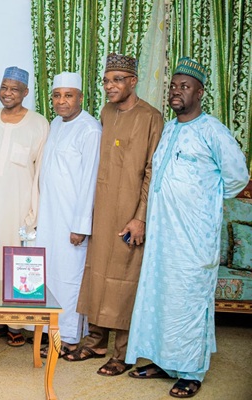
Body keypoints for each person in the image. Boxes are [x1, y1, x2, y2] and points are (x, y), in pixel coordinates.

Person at [126, 57, 249, 398]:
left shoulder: (213, 130)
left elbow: (238, 177)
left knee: (190, 300)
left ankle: (191, 371)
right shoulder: (170, 128)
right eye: (174, 86)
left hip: (194, 236)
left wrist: (203, 203)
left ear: (200, 92)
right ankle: (166, 361)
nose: (177, 91)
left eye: (185, 86)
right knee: (163, 296)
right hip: (165, 235)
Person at [72, 54, 164, 376]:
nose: (110, 86)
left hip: (130, 213)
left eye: (117, 80)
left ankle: (123, 354)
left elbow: (153, 171)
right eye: (106, 80)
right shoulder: (106, 112)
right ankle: (96, 341)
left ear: (133, 82)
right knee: (97, 273)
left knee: (126, 281)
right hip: (103, 207)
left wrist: (140, 217)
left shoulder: (152, 117)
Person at [0, 66, 48, 347]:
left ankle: (16, 324)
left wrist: (33, 213)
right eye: (4, 87)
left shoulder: (39, 124)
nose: (7, 93)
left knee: (14, 263)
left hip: (18, 207)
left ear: (26, 93)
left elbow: (40, 172)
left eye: (14, 89)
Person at [34, 72, 101, 357]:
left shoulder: (90, 130)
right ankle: (53, 332)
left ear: (81, 98)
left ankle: (71, 338)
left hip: (72, 219)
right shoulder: (56, 124)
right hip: (49, 214)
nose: (62, 101)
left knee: (70, 277)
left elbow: (90, 181)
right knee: (52, 274)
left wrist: (80, 225)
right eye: (57, 95)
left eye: (68, 95)